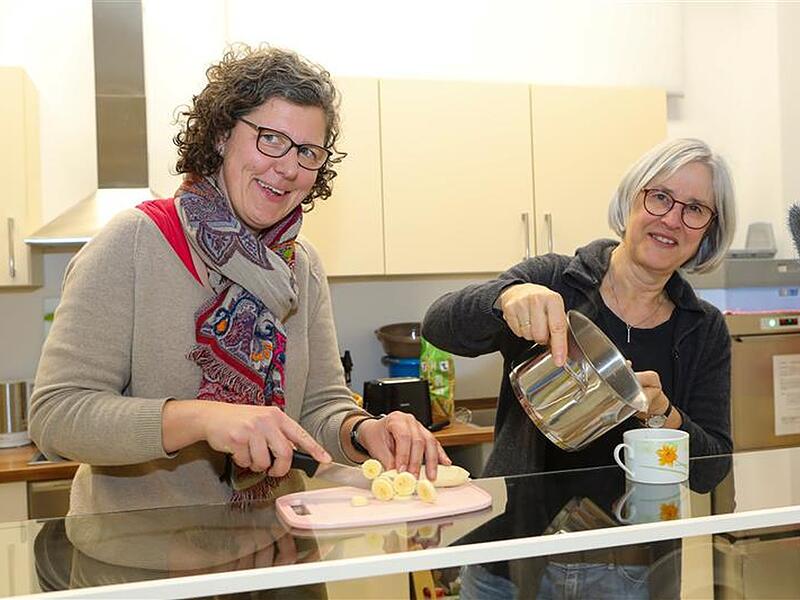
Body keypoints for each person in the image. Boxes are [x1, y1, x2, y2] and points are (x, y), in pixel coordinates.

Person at [30, 44, 448, 515]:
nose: (289, 167)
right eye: (270, 138)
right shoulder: (133, 243)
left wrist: (363, 430)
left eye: (308, 152)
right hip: (145, 561)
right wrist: (201, 419)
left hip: (280, 548)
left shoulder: (300, 264)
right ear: (222, 135)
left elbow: (320, 407)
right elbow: (57, 414)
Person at [422, 137, 735, 478]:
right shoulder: (554, 279)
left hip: (645, 527)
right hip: (526, 525)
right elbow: (437, 326)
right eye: (660, 197)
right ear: (631, 199)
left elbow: (713, 471)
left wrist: (662, 414)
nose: (673, 220)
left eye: (695, 209)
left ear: (708, 231)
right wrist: (505, 298)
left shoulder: (703, 328)